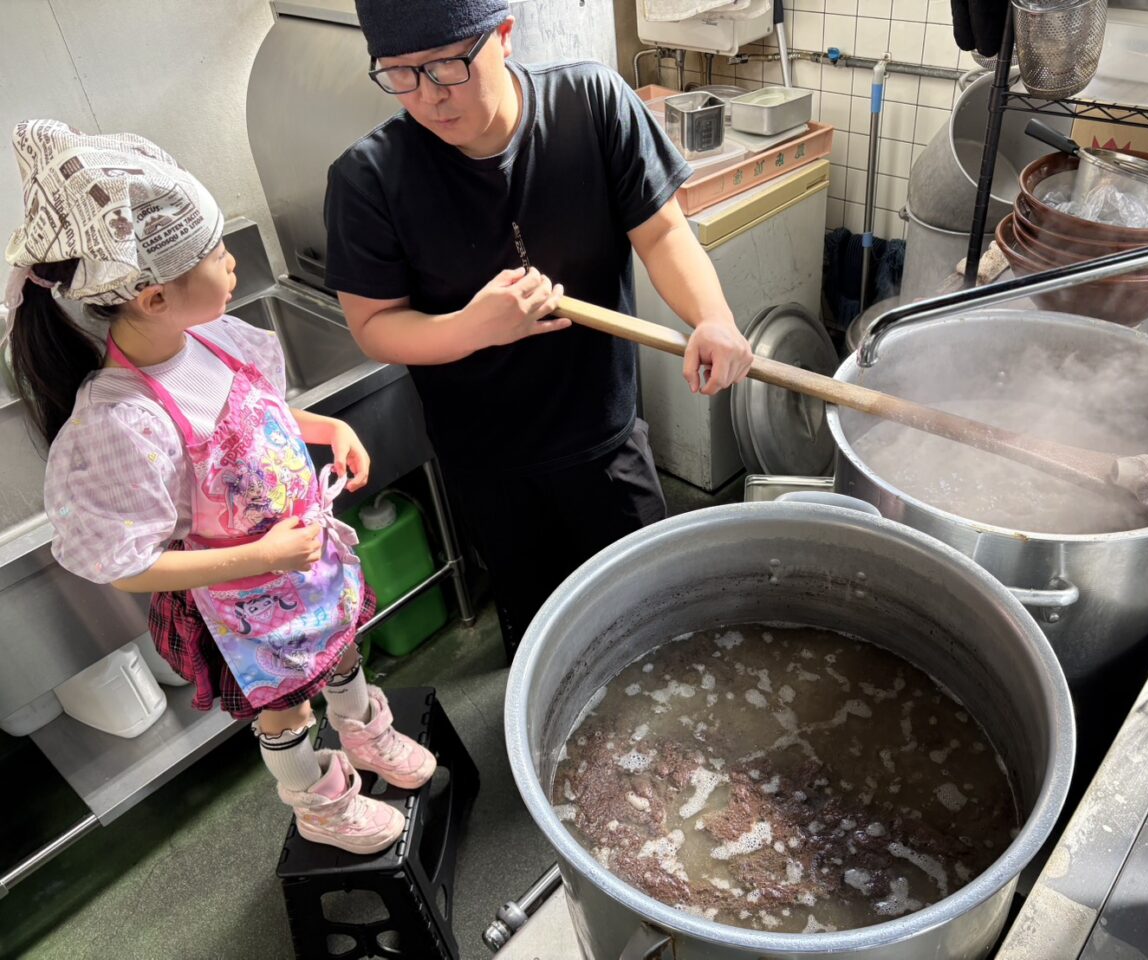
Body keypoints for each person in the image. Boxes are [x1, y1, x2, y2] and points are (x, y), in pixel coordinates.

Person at [4, 120, 432, 855]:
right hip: (242, 608)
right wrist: (259, 557)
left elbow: (251, 414)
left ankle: (368, 735)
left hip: (303, 569)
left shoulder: (209, 338)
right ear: (150, 296)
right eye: (211, 254)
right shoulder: (121, 420)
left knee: (340, 655)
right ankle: (320, 808)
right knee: (286, 710)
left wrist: (327, 428)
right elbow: (124, 564)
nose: (231, 262)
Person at [324, 0, 754, 658]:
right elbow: (375, 326)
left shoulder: (591, 102)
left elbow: (664, 232)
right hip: (488, 461)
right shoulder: (369, 178)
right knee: (543, 640)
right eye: (400, 75)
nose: (429, 98)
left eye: (445, 67)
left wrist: (714, 319)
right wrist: (474, 328)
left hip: (603, 436)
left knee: (654, 617)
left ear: (502, 35)